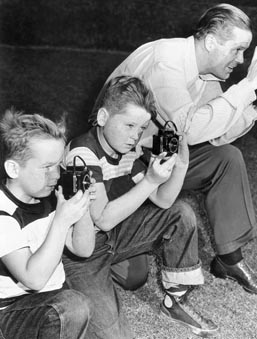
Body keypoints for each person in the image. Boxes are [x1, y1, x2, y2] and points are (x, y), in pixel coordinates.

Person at [89, 3, 257, 298]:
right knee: (132, 275)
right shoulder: (166, 62)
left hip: (154, 152)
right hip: (116, 164)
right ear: (211, 42)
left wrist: (256, 103)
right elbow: (191, 128)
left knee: (226, 158)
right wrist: (247, 85)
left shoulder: (207, 71)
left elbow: (217, 134)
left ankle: (230, 260)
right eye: (237, 50)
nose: (240, 61)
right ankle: (90, 246)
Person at [62, 75, 219, 338]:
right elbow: (102, 219)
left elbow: (164, 201)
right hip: (80, 251)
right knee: (114, 334)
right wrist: (150, 180)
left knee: (180, 213)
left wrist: (180, 166)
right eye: (129, 125)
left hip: (111, 236)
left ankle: (175, 302)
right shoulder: (81, 153)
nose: (135, 135)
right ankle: (68, 284)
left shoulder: (127, 149)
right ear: (102, 118)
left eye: (142, 127)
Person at [0, 109, 96, 339]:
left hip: (51, 300)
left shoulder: (50, 195)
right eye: (47, 167)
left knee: (73, 308)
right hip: (10, 310)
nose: (56, 175)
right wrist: (61, 221)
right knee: (74, 306)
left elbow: (83, 249)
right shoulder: (3, 215)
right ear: (14, 169)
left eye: (59, 164)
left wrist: (81, 206)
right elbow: (33, 279)